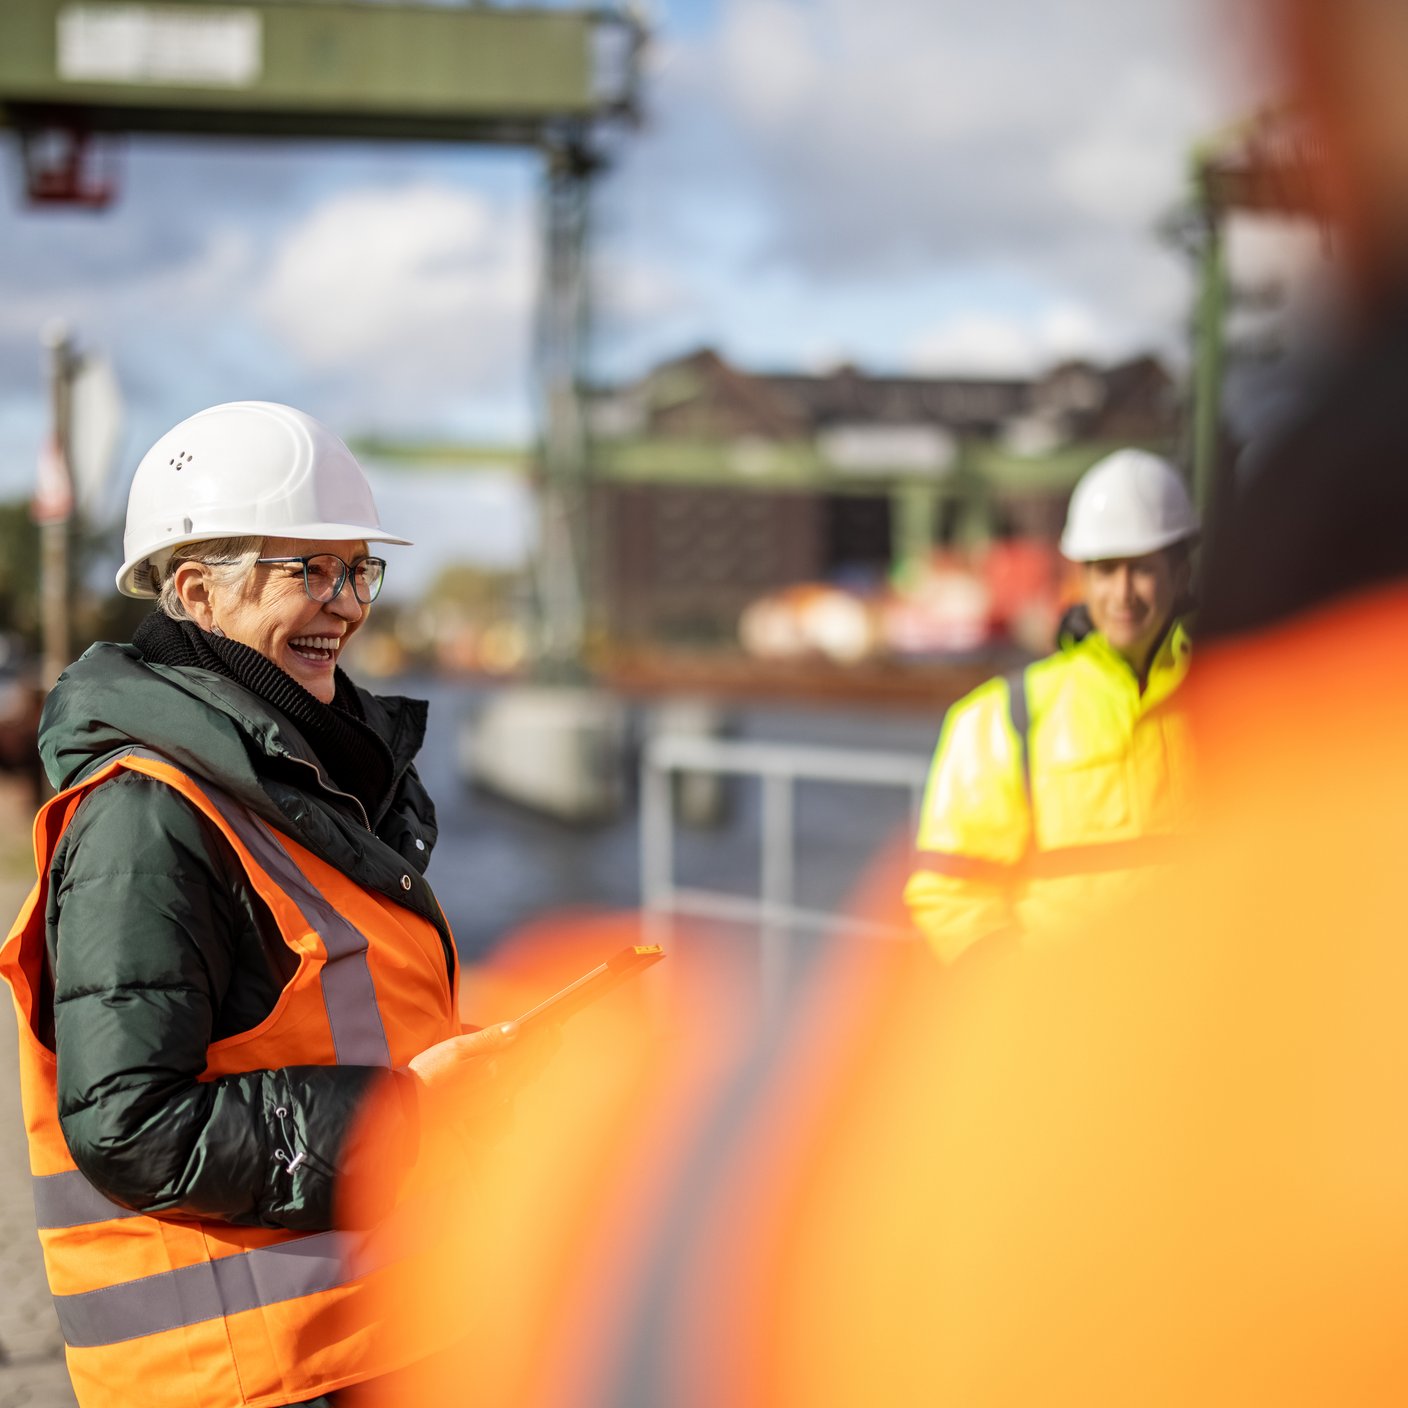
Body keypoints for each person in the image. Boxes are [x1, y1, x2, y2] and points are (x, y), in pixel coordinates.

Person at [0, 400, 525, 1408]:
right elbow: (128, 1122)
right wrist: (404, 1116)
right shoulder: (147, 815)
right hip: (244, 1374)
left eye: (356, 569)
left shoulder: (298, 779)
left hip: (357, 1334)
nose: (344, 603)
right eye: (307, 571)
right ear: (196, 589)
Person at [904, 447, 1199, 962]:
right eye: (1106, 571)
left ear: (1179, 571)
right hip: (1069, 1024)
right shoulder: (1004, 718)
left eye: (1142, 569)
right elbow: (950, 890)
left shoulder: (1231, 696)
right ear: (1081, 577)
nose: (1122, 593)